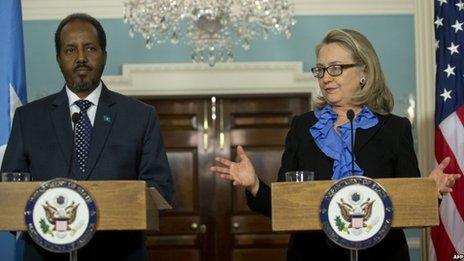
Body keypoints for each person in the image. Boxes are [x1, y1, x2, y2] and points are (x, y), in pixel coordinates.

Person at [211, 29, 461, 260]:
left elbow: (408, 205)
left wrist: (431, 192)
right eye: (320, 70)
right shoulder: (303, 127)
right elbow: (284, 208)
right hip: (312, 255)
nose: (325, 78)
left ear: (364, 72)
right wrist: (254, 185)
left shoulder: (395, 129)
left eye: (335, 68)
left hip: (381, 255)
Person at [0, 13, 173, 261]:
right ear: (59, 58)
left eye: (90, 48)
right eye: (70, 50)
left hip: (120, 253)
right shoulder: (29, 119)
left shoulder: (139, 116)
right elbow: (10, 194)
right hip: (46, 254)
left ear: (104, 54)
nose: (81, 58)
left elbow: (161, 189)